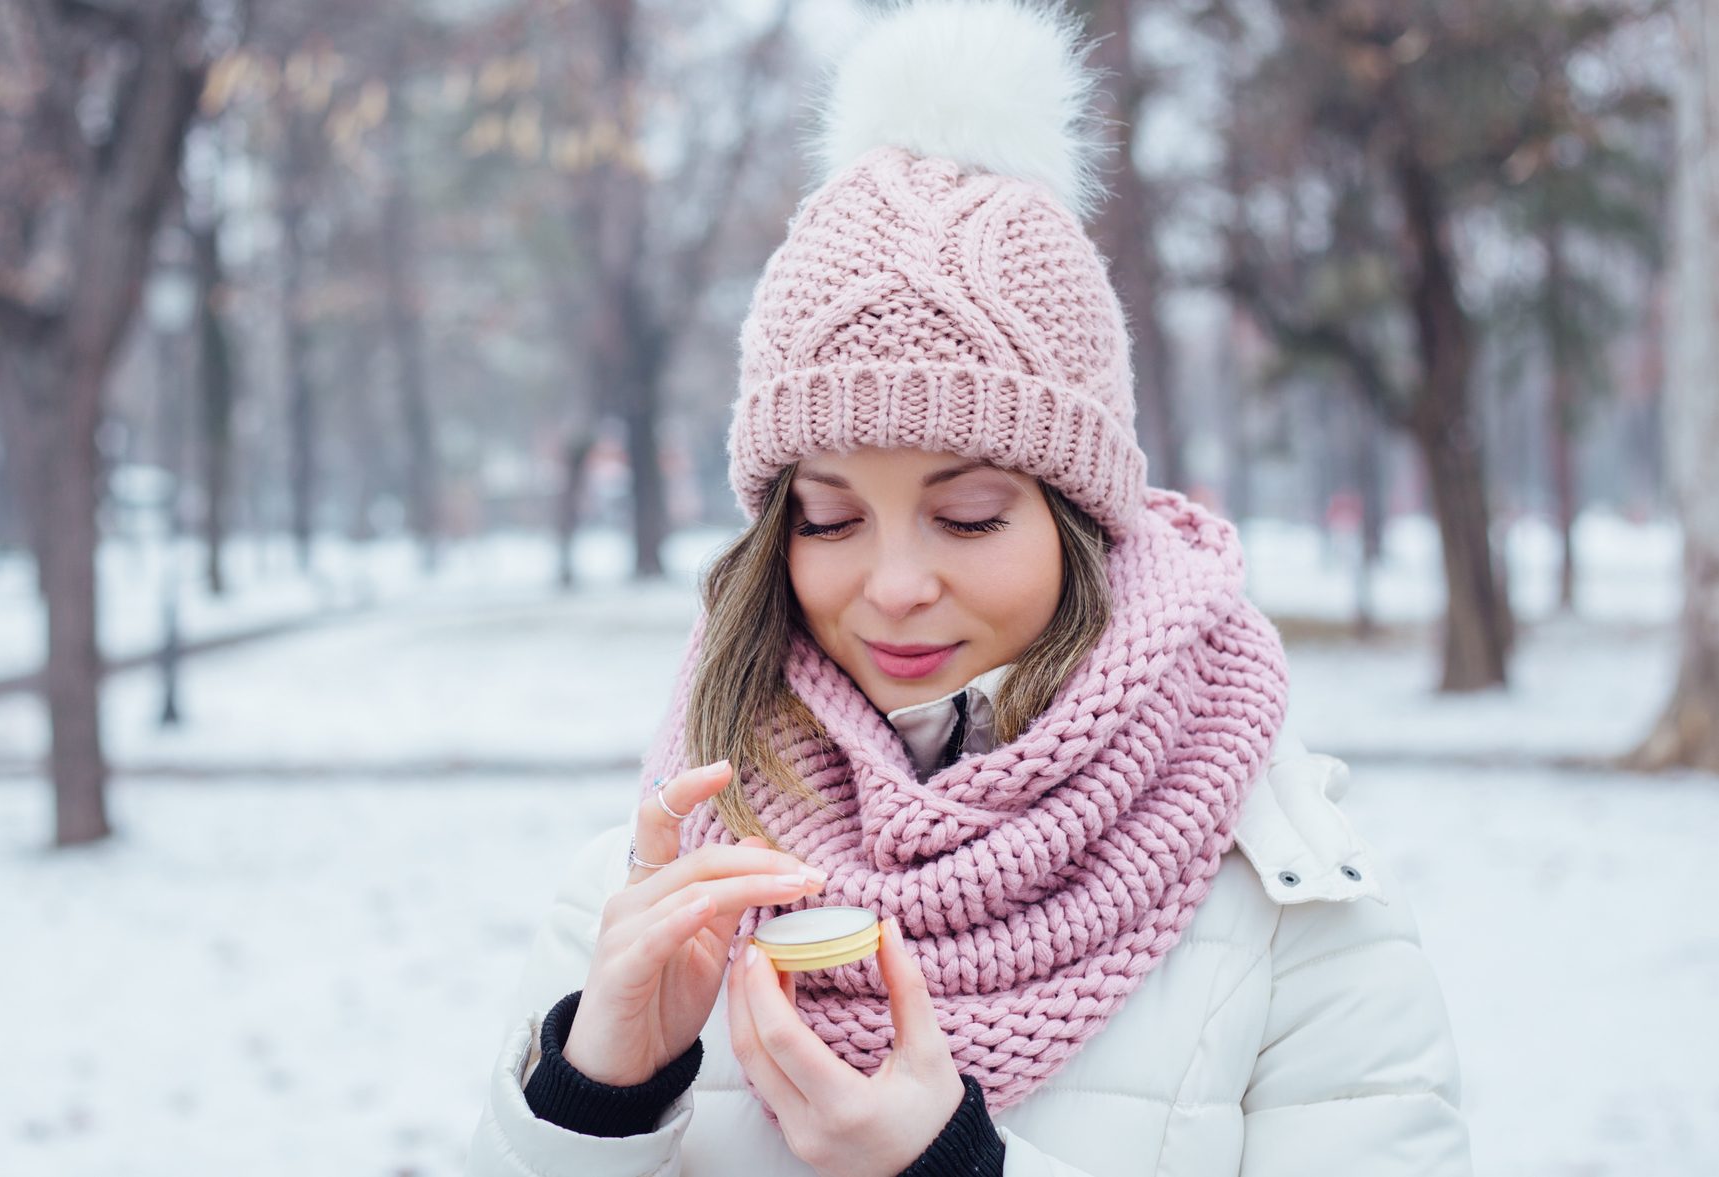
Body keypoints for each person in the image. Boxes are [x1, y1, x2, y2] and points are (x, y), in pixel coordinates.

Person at [465, 2, 1472, 1173]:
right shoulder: (668, 876)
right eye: (829, 517)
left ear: (1081, 519)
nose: (892, 584)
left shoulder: (1284, 907)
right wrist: (600, 1100)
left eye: (969, 514)